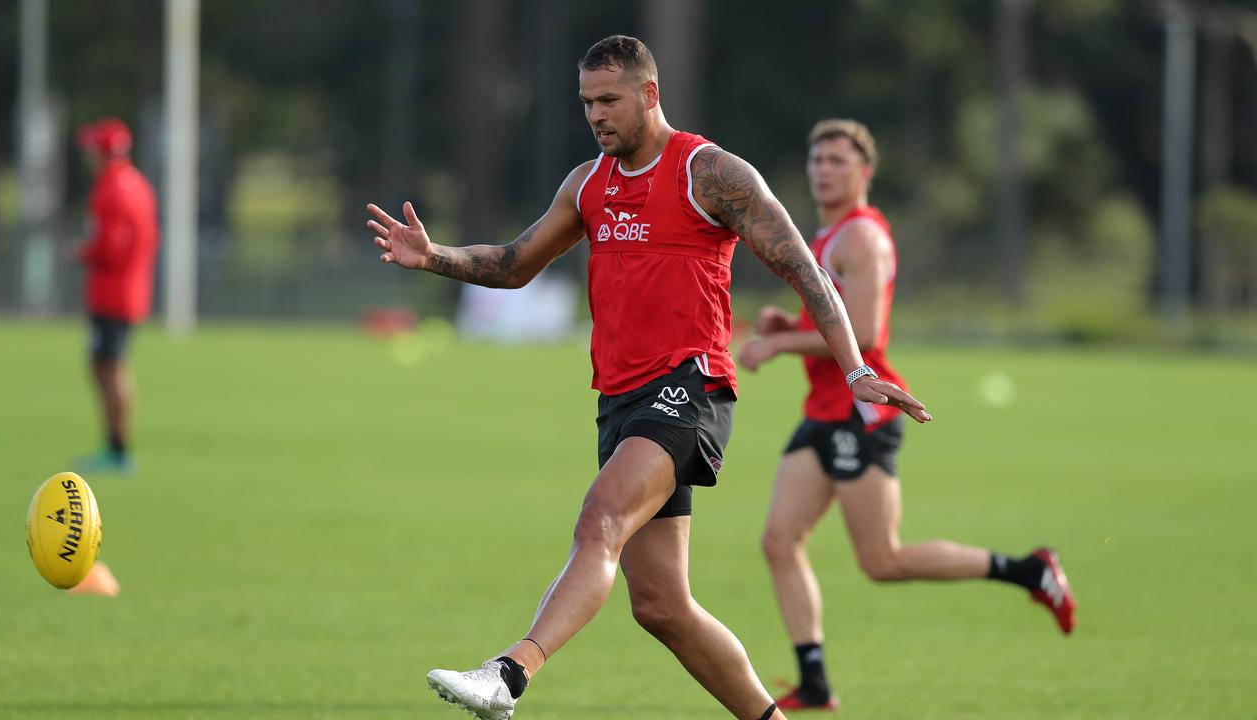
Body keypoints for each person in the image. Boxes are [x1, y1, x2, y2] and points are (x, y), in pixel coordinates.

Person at [367, 37, 930, 720]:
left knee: (600, 518)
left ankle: (508, 675)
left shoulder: (709, 171)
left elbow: (806, 273)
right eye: (586, 103)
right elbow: (515, 264)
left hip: (691, 388)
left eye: (609, 100)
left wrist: (856, 368)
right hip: (621, 400)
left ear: (650, 94)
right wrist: (434, 258)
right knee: (664, 607)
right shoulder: (588, 183)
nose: (596, 116)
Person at [739, 119, 1077, 712]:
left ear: (864, 172)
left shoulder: (861, 238)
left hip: (864, 409)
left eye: (838, 161)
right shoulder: (826, 236)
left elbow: (864, 334)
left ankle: (1029, 571)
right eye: (817, 159)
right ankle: (814, 681)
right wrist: (787, 325)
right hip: (824, 409)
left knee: (884, 561)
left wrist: (780, 345)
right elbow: (833, 320)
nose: (823, 169)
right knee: (779, 540)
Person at [74, 118, 159, 475]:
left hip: (113, 294)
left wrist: (82, 253)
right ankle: (115, 446)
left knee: (110, 368)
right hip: (126, 291)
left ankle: (117, 448)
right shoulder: (135, 183)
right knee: (106, 366)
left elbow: (113, 245)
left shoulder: (113, 188)